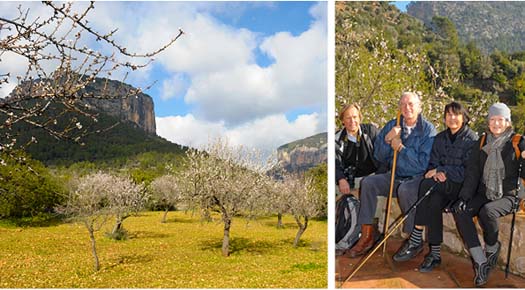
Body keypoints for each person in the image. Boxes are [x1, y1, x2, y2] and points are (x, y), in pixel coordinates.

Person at [347, 91, 437, 258]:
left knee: (405, 190)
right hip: (395, 176)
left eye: (411, 104)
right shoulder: (392, 125)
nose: (407, 107)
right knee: (368, 183)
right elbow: (378, 156)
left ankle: (414, 240)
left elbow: (422, 163)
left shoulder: (428, 130)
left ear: (419, 107)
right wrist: (388, 141)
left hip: (416, 179)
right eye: (403, 104)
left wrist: (401, 148)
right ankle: (367, 235)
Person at [391, 101, 478, 272]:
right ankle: (435, 254)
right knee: (434, 200)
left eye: (456, 114)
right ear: (445, 118)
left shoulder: (471, 140)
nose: (452, 118)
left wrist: (443, 171)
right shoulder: (440, 138)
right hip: (440, 186)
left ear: (464, 117)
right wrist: (435, 171)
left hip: (461, 188)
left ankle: (416, 236)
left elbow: (469, 171)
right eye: (449, 115)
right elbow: (432, 164)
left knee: (426, 185)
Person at [451, 102, 525, 286]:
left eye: (500, 119)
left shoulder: (518, 141)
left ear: (508, 121)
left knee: (487, 211)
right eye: (493, 119)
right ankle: (481, 261)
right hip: (485, 191)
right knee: (461, 211)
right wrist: (464, 197)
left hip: (510, 194)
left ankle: (492, 248)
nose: (496, 123)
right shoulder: (482, 141)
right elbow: (473, 172)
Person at [335, 103, 379, 195]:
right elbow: (335, 162)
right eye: (348, 118)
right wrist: (341, 179)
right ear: (343, 120)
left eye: (355, 117)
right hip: (348, 180)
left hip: (372, 177)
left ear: (359, 118)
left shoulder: (371, 131)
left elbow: (382, 155)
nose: (352, 121)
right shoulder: (337, 139)